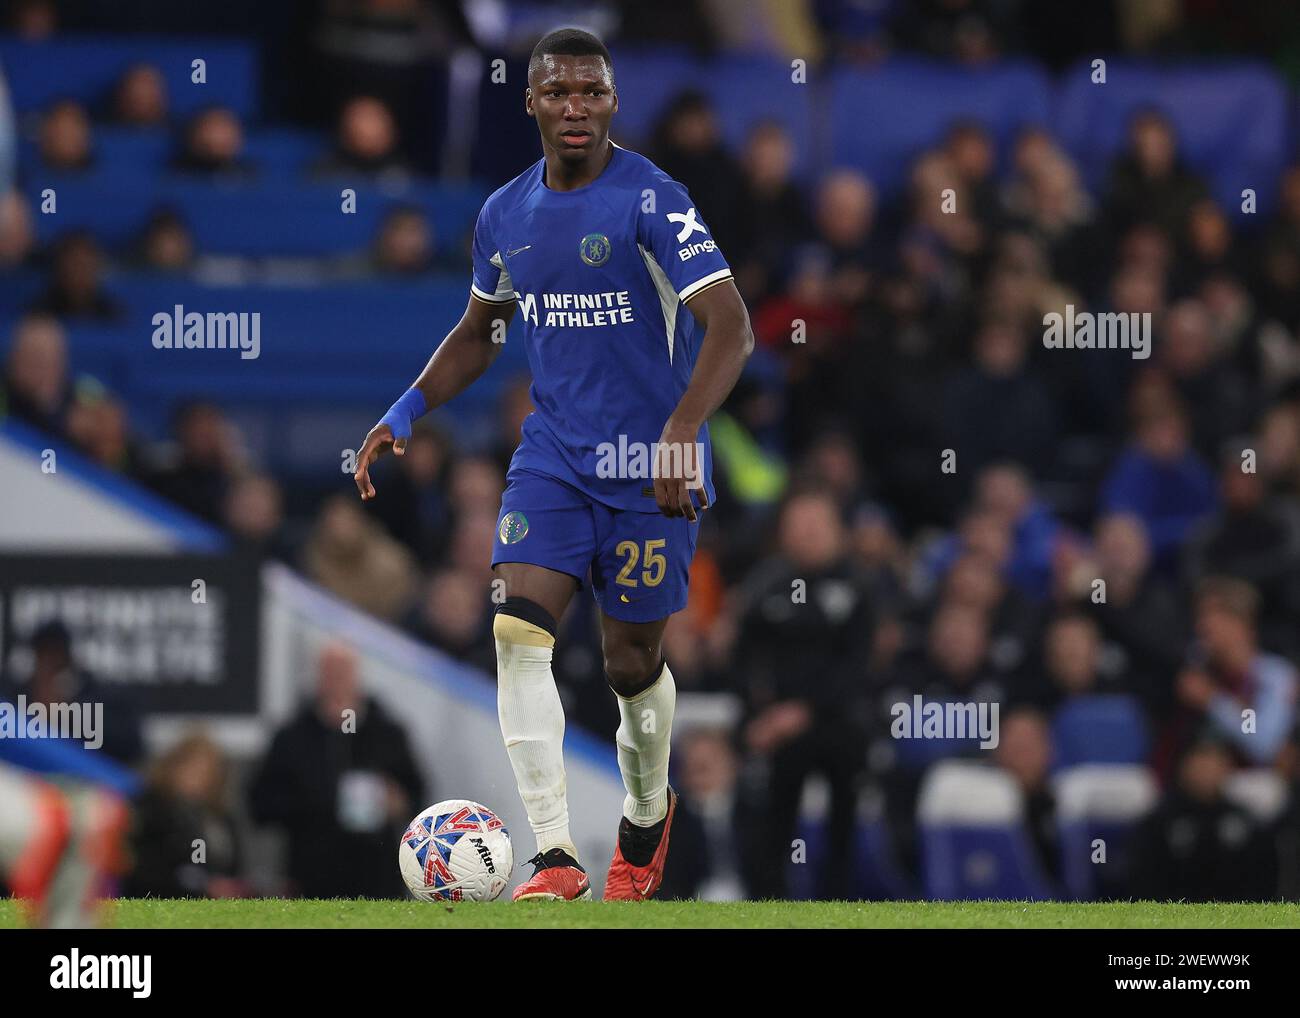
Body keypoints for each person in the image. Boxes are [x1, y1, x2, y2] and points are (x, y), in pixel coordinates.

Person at [353, 28, 754, 903]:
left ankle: (647, 812)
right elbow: (482, 330)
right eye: (560, 92)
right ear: (531, 101)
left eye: (594, 93)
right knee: (515, 634)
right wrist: (407, 406)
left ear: (613, 103)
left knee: (629, 665)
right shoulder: (506, 212)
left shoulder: (653, 198)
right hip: (557, 460)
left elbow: (733, 324)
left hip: (654, 465)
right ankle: (554, 855)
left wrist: (685, 427)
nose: (577, 108)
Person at [249, 641, 424, 899]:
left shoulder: (388, 733)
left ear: (357, 675)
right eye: (331, 670)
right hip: (311, 879)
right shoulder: (291, 736)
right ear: (319, 676)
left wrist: (397, 802)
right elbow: (260, 805)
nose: (337, 679)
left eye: (344, 670)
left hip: (378, 877)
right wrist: (315, 803)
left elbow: (417, 795)